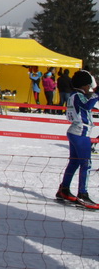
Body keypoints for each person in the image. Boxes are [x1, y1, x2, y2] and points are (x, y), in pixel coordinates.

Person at [55, 69, 99, 209]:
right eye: (88, 86)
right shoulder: (78, 95)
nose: (89, 89)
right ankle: (83, 194)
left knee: (74, 163)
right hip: (81, 132)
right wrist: (97, 94)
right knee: (86, 163)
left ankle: (64, 189)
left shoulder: (76, 95)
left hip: (77, 132)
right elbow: (87, 105)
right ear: (83, 85)